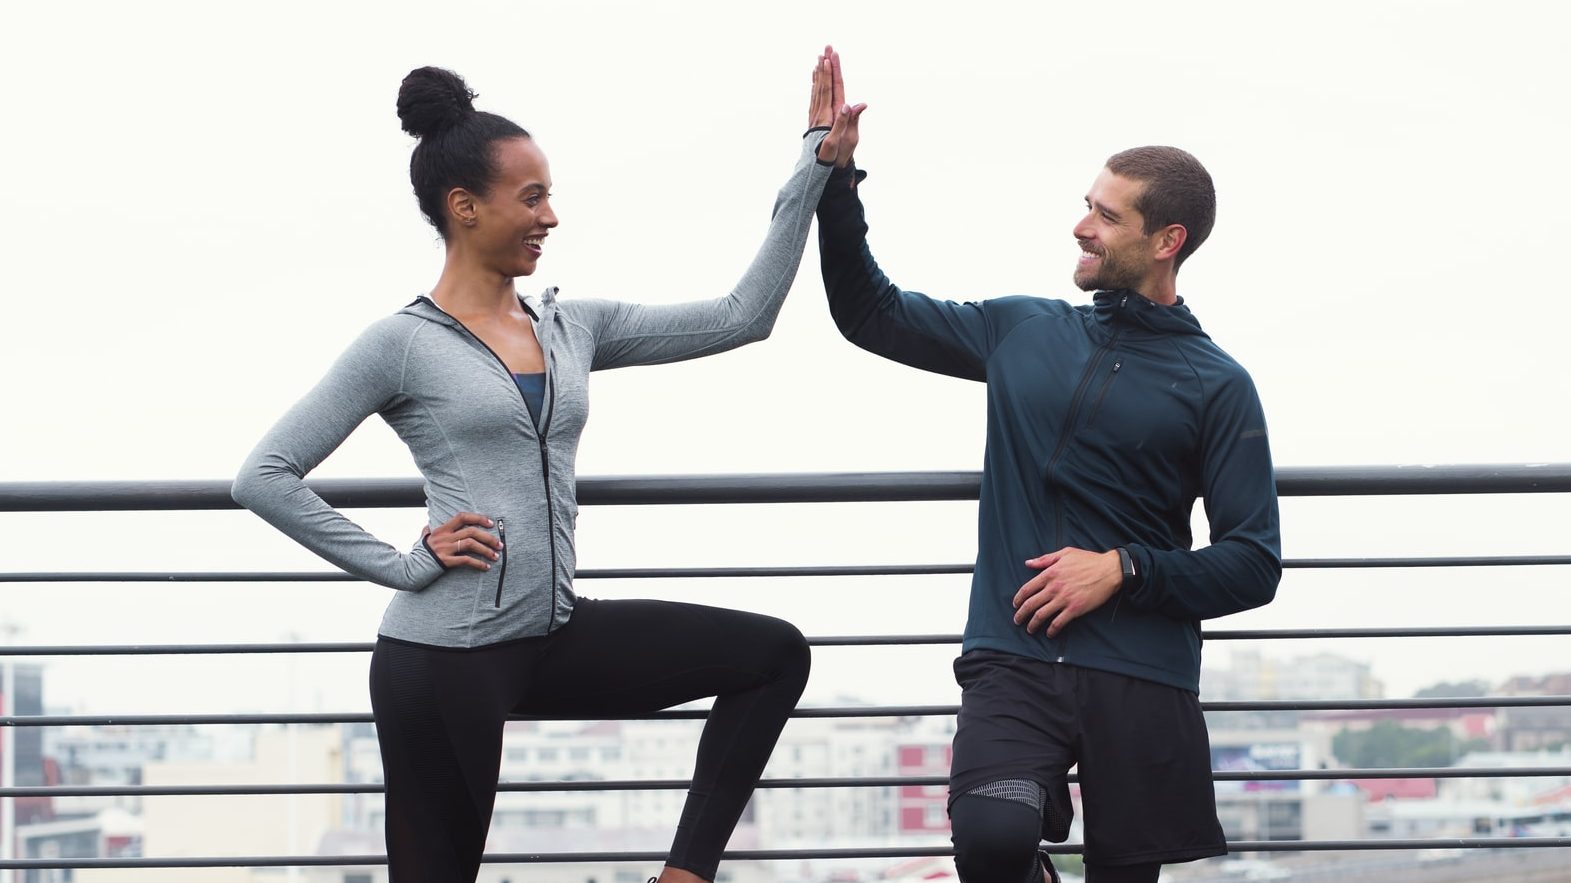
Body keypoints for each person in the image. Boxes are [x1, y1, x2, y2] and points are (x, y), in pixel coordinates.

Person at [231, 52, 859, 883]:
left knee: (773, 654)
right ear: (464, 209)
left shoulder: (572, 326)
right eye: (531, 198)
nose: (551, 216)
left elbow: (743, 316)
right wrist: (403, 563)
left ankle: (684, 874)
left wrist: (812, 166)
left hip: (553, 631)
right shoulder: (399, 344)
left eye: (549, 195)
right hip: (444, 657)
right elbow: (263, 475)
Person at [811, 56, 1282, 883]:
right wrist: (836, 177)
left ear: (1165, 240)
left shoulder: (1219, 384)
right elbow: (869, 313)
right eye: (1085, 206)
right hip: (1014, 655)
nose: (1080, 227)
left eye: (1105, 215)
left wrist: (1122, 569)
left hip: (1140, 673)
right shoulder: (1024, 330)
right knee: (991, 840)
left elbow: (1253, 562)